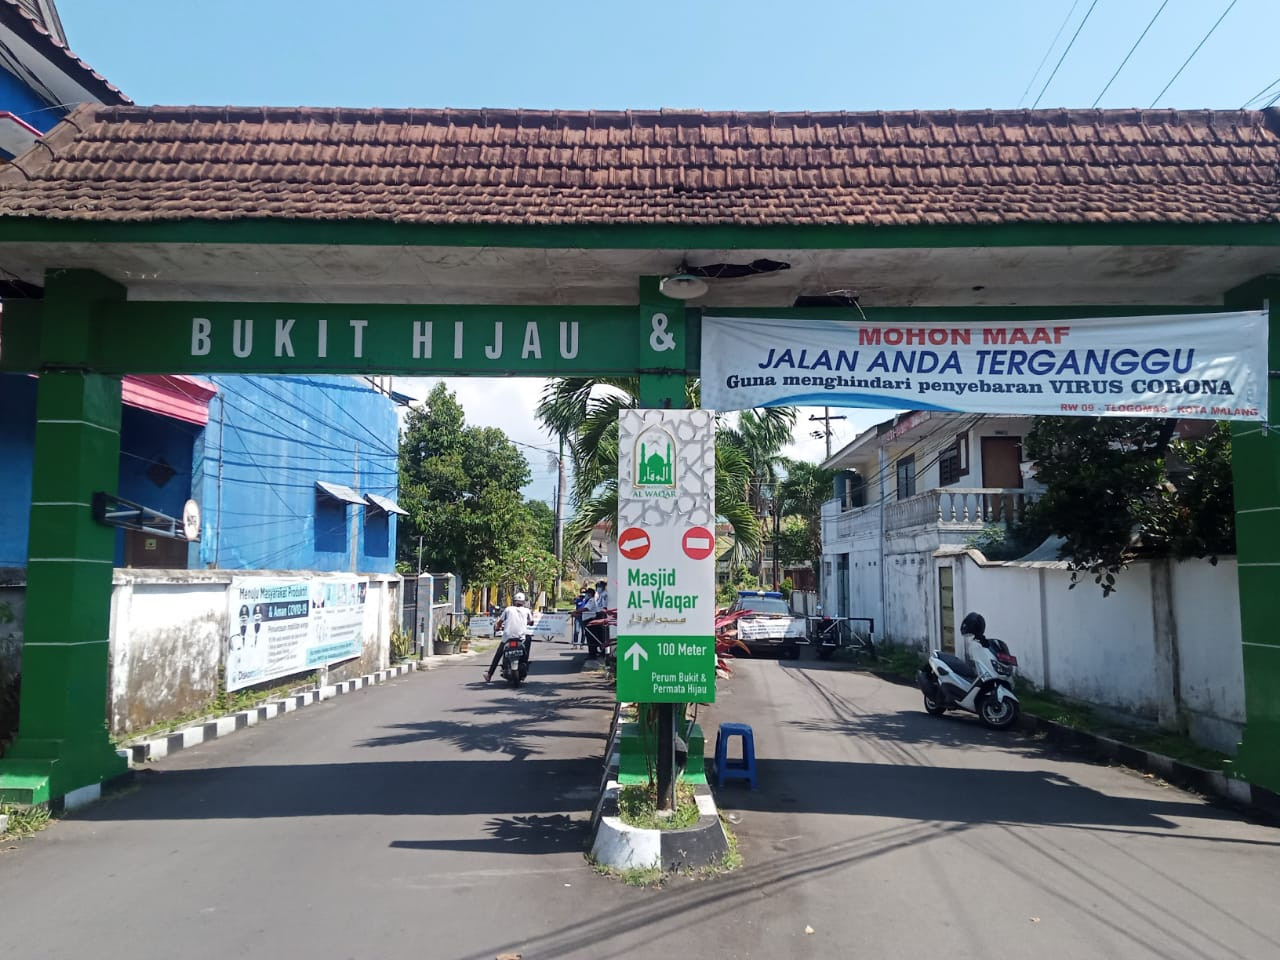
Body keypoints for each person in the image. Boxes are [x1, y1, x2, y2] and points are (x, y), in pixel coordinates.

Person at [484, 591, 532, 682]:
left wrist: (497, 628)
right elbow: (531, 621)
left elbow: (500, 622)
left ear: (514, 601)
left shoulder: (508, 609)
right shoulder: (527, 610)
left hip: (507, 638)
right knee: (528, 643)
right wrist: (528, 622)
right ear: (523, 602)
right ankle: (525, 663)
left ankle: (489, 674)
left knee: (498, 654)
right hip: (521, 639)